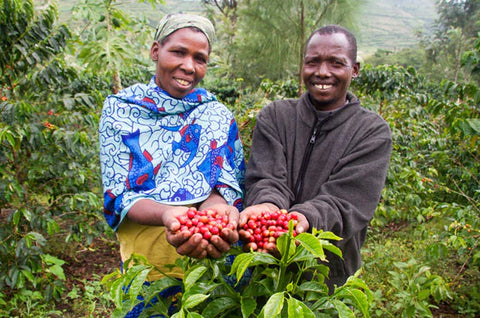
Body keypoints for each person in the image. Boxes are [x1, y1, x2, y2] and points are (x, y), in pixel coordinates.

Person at [99, 13, 245, 315]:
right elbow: (120, 194)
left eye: (200, 58)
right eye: (178, 52)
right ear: (156, 51)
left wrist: (216, 212)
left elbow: (223, 183)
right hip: (149, 265)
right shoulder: (121, 111)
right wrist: (169, 214)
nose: (189, 66)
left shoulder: (215, 114)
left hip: (211, 260)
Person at [240, 25, 392, 292]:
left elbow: (347, 201)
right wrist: (267, 207)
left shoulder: (372, 132)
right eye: (313, 62)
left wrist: (305, 218)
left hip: (325, 279)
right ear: (303, 66)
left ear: (354, 69)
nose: (322, 72)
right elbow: (266, 177)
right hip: (263, 269)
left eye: (336, 63)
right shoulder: (275, 116)